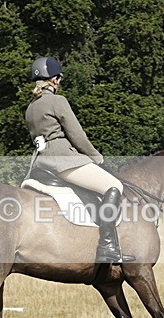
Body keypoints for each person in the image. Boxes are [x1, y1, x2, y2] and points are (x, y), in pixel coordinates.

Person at [24, 56, 135, 264]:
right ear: (55, 80)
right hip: (62, 160)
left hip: (39, 163)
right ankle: (108, 246)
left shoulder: (31, 108)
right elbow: (77, 136)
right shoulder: (58, 101)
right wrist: (97, 158)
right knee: (114, 186)